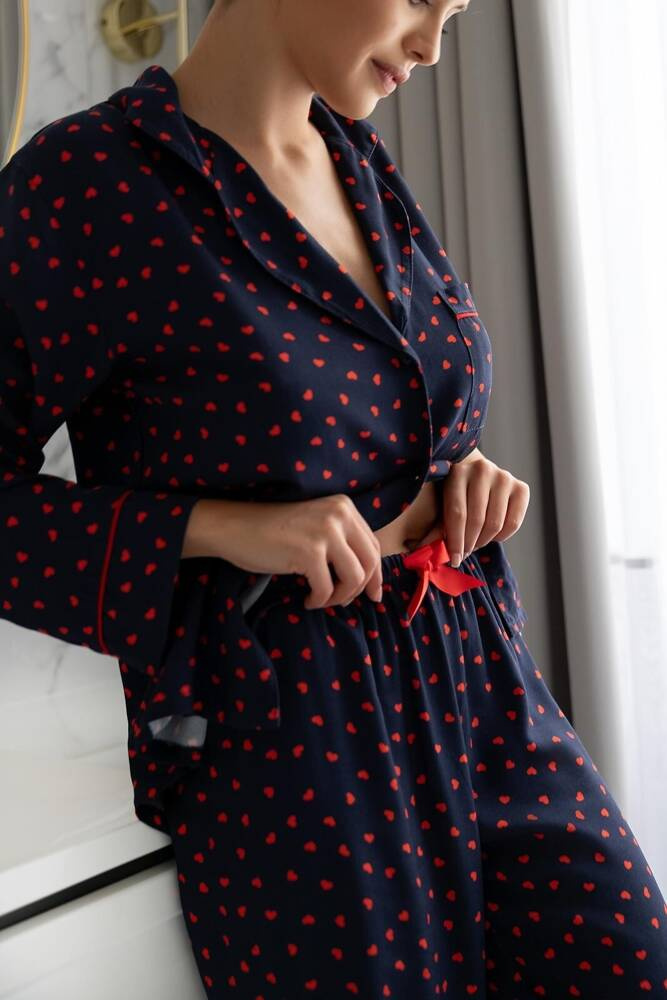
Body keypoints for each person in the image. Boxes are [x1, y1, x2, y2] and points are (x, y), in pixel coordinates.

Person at [1, 0, 666, 996]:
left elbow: (356, 408)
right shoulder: (87, 184)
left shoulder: (358, 162)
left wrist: (455, 468)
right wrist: (218, 529)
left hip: (478, 673)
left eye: (453, 15)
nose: (431, 46)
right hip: (296, 733)